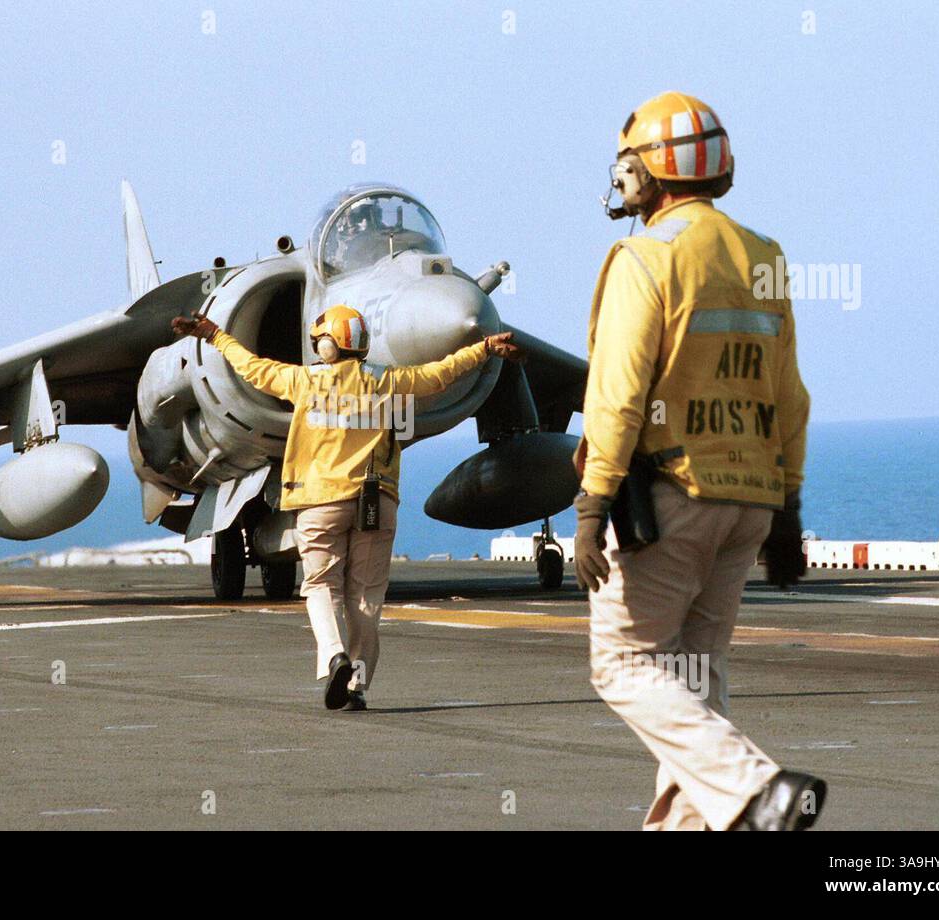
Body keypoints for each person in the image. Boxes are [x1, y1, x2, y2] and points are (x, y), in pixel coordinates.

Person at [574, 92, 824, 830]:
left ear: (649, 173)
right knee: (694, 684)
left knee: (622, 664)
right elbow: (790, 395)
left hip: (672, 499)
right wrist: (790, 507)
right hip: (748, 501)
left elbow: (617, 397)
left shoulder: (645, 257)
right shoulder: (764, 256)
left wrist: (591, 505)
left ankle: (758, 788)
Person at [173, 305, 523, 710]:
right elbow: (439, 373)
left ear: (326, 345)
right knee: (366, 596)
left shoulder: (303, 381)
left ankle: (334, 655)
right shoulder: (386, 381)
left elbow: (253, 368)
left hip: (320, 500)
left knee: (321, 585)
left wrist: (214, 333)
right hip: (375, 502)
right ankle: (357, 686)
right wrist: (483, 348)